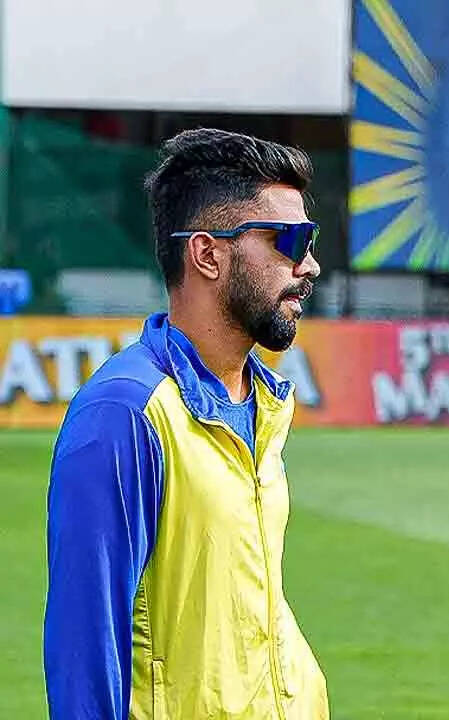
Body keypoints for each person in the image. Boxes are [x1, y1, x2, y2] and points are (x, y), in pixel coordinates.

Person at [44, 128, 329, 719]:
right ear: (207, 255)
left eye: (311, 239)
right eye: (290, 241)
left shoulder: (265, 401)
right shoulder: (125, 413)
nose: (310, 265)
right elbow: (84, 645)